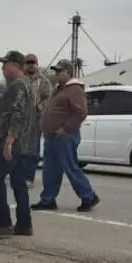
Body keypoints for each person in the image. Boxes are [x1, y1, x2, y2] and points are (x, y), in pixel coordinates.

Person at [33, 59, 99, 212]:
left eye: (59, 71)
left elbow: (80, 112)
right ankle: (48, 199)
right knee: (50, 169)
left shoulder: (74, 89)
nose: (56, 74)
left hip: (64, 136)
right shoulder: (59, 89)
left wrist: (66, 128)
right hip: (51, 136)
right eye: (55, 71)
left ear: (68, 72)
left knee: (70, 167)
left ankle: (88, 196)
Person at [0, 50, 36, 239]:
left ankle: (3, 223)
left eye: (5, 64)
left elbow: (18, 113)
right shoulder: (25, 85)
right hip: (23, 143)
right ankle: (24, 224)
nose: (2, 68)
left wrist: (9, 141)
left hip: (13, 142)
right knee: (18, 183)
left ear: (15, 65)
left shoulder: (18, 86)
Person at [22, 54, 53, 187]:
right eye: (28, 63)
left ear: (37, 64)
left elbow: (49, 97)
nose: (30, 65)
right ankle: (17, 174)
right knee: (18, 148)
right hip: (19, 118)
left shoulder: (43, 80)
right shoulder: (20, 79)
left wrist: (38, 108)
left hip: (35, 118)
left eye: (33, 63)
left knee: (32, 149)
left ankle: (29, 177)